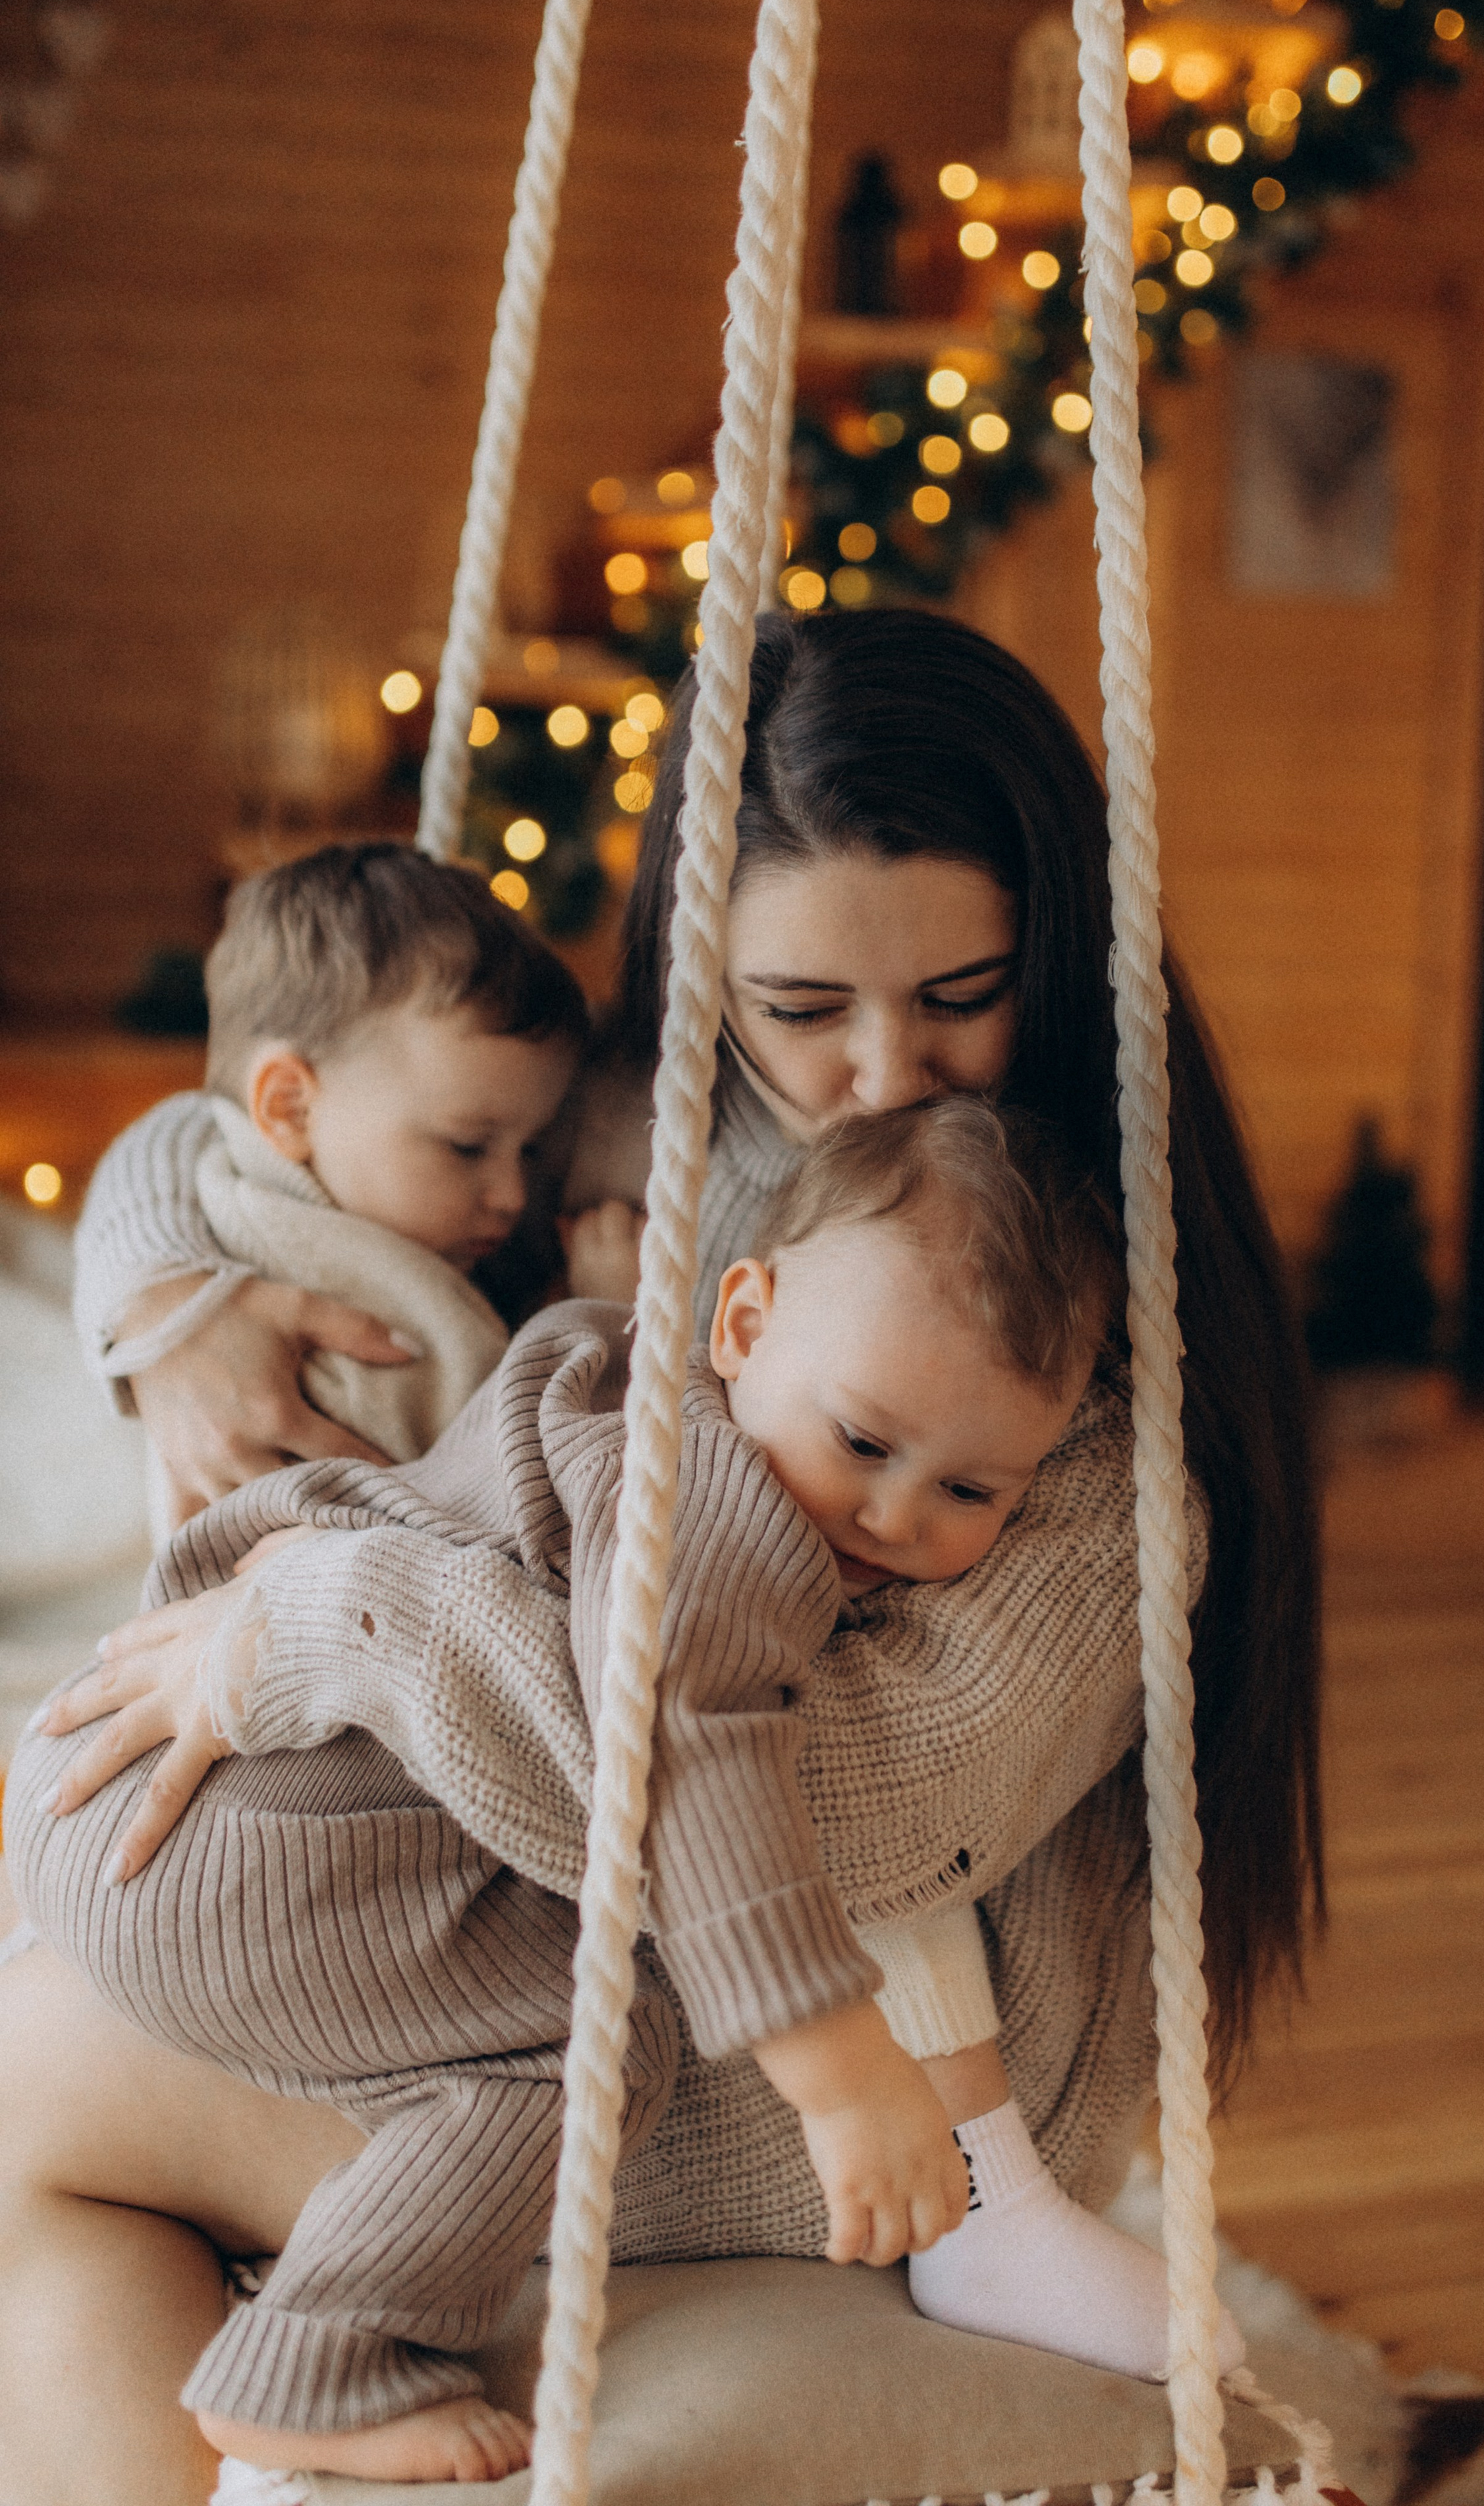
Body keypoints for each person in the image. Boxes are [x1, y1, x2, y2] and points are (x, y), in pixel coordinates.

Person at [0, 610, 1321, 2506]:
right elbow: (302, 1105)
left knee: (35, 2083)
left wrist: (334, 1619)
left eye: (964, 988)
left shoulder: (1067, 1347)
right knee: (52, 2068)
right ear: (705, 976)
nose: (881, 1073)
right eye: (800, 1007)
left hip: (852, 2057)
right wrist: (165, 1287)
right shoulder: (653, 1137)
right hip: (559, 1928)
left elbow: (840, 1808)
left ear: (1068, 956)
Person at [14, 1098, 1242, 2486]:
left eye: (968, 1489)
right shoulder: (716, 1502)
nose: (891, 1519)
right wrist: (836, 2073)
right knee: (574, 2057)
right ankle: (322, 2359)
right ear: (739, 1322)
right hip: (265, 1831)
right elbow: (691, 1751)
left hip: (153, 1798)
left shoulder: (623, 1374)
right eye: (861, 1442)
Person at [163, 839, 588, 1470]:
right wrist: (600, 1320)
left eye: (529, 1149)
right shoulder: (344, 1333)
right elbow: (510, 1494)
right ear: (290, 1109)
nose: (513, 1195)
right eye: (466, 1146)